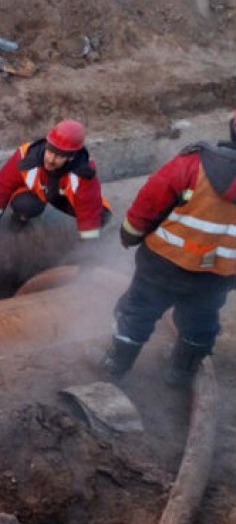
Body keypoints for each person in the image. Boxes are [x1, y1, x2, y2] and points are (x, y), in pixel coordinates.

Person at [101, 111, 236, 388]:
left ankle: (116, 365)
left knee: (137, 312)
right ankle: (181, 374)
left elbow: (150, 201)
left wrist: (130, 235)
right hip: (216, 277)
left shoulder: (192, 164)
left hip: (163, 265)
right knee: (200, 322)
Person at [0, 119, 112, 241]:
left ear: (71, 157)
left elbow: (88, 208)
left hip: (62, 197)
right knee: (26, 204)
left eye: (59, 156)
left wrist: (87, 252)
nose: (51, 159)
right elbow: (1, 188)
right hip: (36, 192)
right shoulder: (25, 158)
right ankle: (20, 218)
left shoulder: (83, 173)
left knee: (101, 217)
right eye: (50, 152)